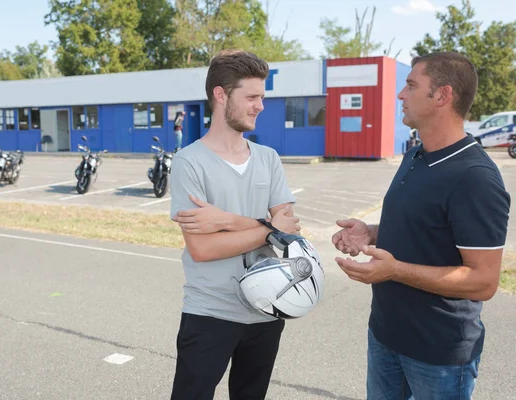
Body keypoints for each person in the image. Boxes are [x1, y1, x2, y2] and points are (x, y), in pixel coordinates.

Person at [332, 51, 511, 399]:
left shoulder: (475, 177)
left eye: (411, 86)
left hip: (438, 355)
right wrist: (370, 232)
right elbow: (422, 229)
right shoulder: (415, 155)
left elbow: (484, 281)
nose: (401, 94)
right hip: (385, 335)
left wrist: (394, 270)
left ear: (443, 95)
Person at [168, 49, 300, 400]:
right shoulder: (188, 163)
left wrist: (227, 221)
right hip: (210, 311)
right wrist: (268, 227)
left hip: (268, 309)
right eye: (252, 97)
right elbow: (203, 248)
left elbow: (289, 231)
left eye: (262, 97)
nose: (260, 106)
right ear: (221, 95)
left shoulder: (269, 159)